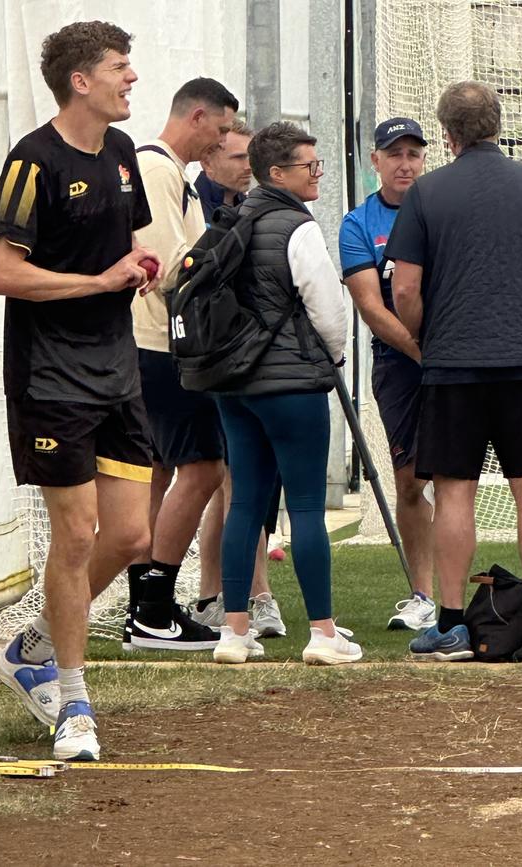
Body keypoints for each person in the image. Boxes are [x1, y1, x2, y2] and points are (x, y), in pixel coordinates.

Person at [0, 21, 161, 761]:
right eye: (122, 68)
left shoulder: (122, 154)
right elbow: (0, 273)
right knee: (79, 533)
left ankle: (32, 642)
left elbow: (132, 246)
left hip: (116, 370)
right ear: (81, 82)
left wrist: (143, 266)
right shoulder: (33, 160)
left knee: (130, 537)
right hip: (50, 377)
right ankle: (74, 703)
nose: (133, 79)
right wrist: (95, 282)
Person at [388, 81, 522, 660]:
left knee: (454, 493)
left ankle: (450, 624)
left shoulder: (426, 192)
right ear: (498, 124)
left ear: (446, 135)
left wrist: (428, 336)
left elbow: (404, 286)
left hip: (453, 366)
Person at [211, 121, 363, 665]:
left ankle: (233, 632)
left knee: (245, 502)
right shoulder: (297, 227)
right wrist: (334, 356)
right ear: (277, 172)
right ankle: (322, 633)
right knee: (304, 505)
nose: (317, 173)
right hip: (292, 383)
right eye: (309, 166)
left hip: (232, 382)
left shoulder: (232, 218)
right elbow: (326, 306)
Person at [125, 78, 238, 651]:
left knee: (161, 472)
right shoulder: (156, 170)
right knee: (202, 469)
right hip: (159, 345)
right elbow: (169, 268)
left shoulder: (179, 179)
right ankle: (154, 604)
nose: (219, 144)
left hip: (159, 345)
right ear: (197, 117)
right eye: (219, 131)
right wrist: (231, 251)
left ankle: (144, 606)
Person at [190, 119, 286, 638]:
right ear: (210, 160)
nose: (246, 168)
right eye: (237, 158)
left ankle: (213, 594)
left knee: (236, 486)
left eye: (252, 159)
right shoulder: (201, 207)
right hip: (215, 364)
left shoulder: (255, 204)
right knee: (235, 483)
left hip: (248, 360)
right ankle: (252, 595)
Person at [339, 117, 436, 631]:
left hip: (460, 361)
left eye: (413, 154)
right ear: (374, 160)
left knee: (462, 479)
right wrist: (424, 352)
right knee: (410, 481)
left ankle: (497, 599)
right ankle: (423, 594)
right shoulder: (359, 223)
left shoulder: (443, 208)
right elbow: (371, 309)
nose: (405, 163)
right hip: (402, 364)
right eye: (394, 154)